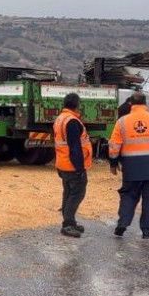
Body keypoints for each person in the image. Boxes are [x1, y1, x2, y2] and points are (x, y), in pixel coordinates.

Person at [107, 91, 149, 239]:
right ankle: (147, 230)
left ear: (130, 104)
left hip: (131, 167)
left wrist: (113, 163)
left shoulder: (122, 122)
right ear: (145, 103)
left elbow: (114, 145)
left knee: (129, 196)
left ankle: (122, 224)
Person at [53, 92, 92, 238]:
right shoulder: (72, 121)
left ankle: (69, 221)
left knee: (68, 192)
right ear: (77, 105)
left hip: (63, 163)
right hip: (72, 165)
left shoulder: (60, 119)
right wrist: (80, 168)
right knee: (77, 193)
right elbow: (74, 147)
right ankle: (68, 224)